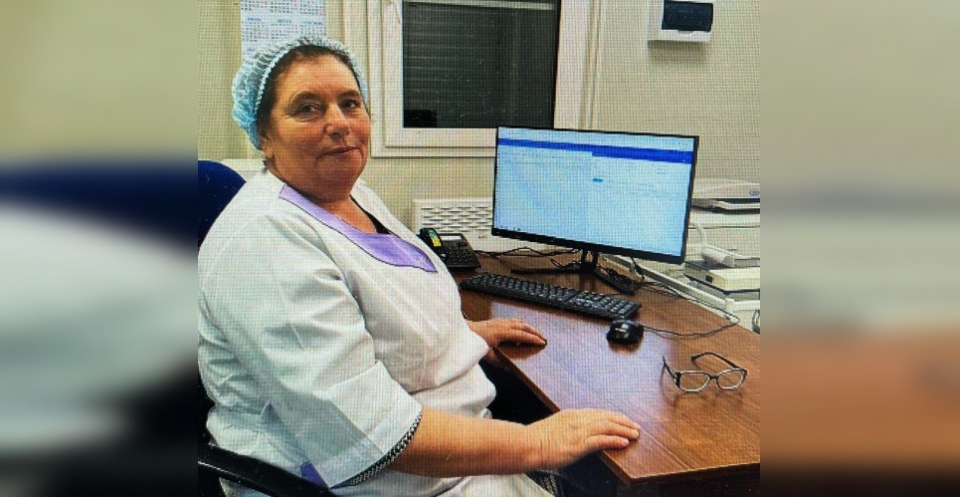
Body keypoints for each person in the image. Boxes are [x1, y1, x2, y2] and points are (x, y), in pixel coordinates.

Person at [199, 35, 640, 497]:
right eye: (307, 108)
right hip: (370, 481)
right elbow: (371, 435)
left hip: (444, 456)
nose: (339, 123)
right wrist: (539, 443)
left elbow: (384, 304)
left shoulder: (348, 194)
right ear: (264, 136)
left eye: (350, 103)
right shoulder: (264, 242)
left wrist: (459, 335)